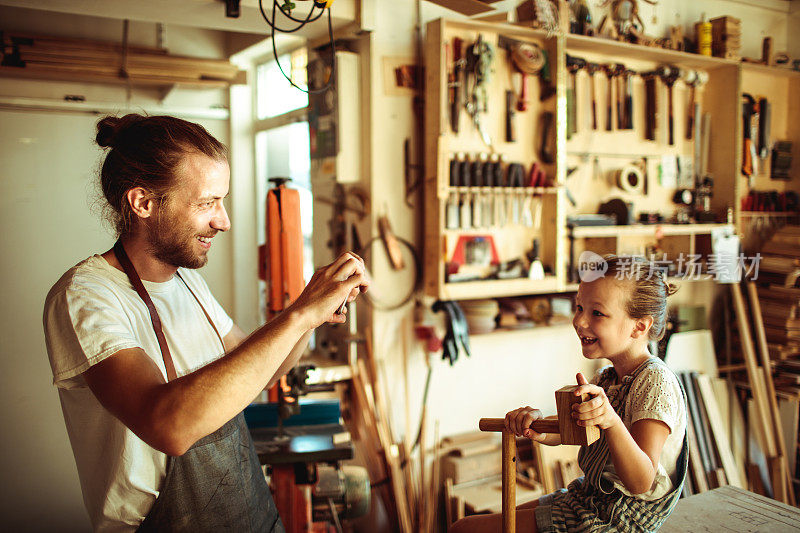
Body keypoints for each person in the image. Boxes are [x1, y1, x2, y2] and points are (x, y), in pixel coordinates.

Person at [42, 114, 369, 532]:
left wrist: (316, 314)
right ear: (143, 202)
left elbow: (266, 367)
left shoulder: (188, 281)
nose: (224, 220)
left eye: (222, 201)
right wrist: (300, 311)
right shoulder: (86, 295)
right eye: (206, 203)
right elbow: (169, 426)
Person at [452, 255, 687, 533]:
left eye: (597, 313)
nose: (580, 321)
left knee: (464, 531)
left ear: (640, 326)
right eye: (579, 307)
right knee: (481, 523)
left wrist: (610, 420)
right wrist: (536, 426)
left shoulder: (656, 383)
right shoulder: (609, 378)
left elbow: (640, 482)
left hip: (619, 519)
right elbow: (572, 429)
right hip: (590, 500)